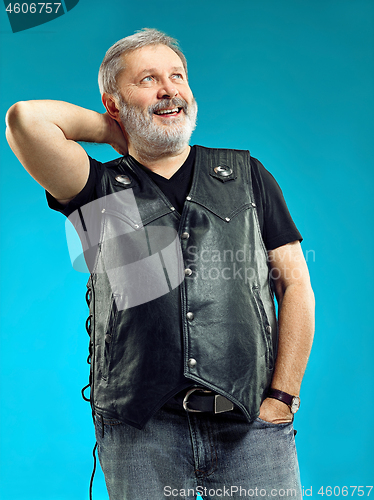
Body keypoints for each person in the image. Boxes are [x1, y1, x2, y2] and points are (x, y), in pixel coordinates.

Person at [6, 28, 315, 500]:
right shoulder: (98, 189)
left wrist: (282, 398)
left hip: (250, 422)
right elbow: (25, 120)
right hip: (140, 430)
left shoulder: (248, 175)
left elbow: (295, 288)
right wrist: (112, 129)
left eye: (177, 76)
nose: (169, 89)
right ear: (114, 102)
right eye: (147, 80)